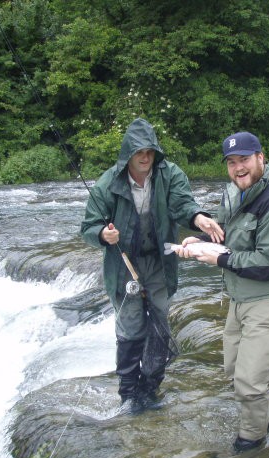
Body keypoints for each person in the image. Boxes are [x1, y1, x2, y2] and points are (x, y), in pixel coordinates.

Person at [174, 131, 269, 452]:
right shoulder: (234, 194)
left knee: (250, 384)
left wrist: (219, 257)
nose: (238, 168)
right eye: (232, 162)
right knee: (236, 371)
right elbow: (228, 239)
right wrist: (202, 244)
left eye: (245, 160)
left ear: (261, 158)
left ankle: (250, 450)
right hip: (243, 295)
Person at [81, 117, 223, 414]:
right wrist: (103, 235)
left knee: (159, 323)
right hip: (124, 266)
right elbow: (88, 227)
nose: (145, 157)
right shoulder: (108, 183)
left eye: (150, 151)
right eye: (139, 152)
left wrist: (198, 217)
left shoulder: (170, 175)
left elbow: (183, 204)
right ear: (128, 154)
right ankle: (128, 394)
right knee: (131, 327)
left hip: (160, 261)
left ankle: (151, 388)